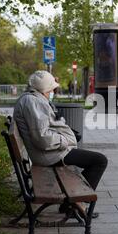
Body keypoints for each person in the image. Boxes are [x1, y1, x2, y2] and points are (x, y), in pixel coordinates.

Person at [13, 70, 107, 217]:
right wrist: (65, 141)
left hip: (49, 153)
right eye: (51, 89)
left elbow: (43, 129)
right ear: (45, 89)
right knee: (100, 161)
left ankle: (72, 205)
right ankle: (74, 206)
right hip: (50, 154)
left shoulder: (33, 99)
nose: (53, 91)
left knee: (94, 159)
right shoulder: (33, 102)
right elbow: (42, 138)